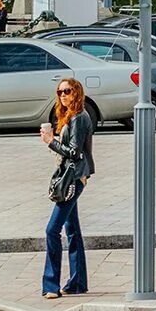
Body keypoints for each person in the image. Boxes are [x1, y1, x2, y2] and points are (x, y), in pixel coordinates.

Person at [41, 78, 92, 299]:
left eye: (67, 91)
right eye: (60, 91)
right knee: (72, 230)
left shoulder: (79, 118)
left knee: (52, 230)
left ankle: (51, 285)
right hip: (72, 177)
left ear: (76, 93)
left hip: (73, 179)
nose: (63, 95)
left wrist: (51, 141)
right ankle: (77, 283)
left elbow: (75, 152)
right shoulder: (70, 116)